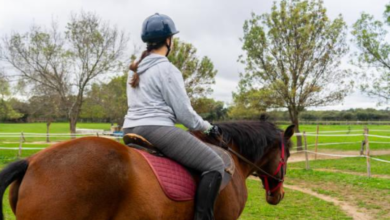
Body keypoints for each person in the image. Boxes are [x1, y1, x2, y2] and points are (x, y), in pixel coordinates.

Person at [123, 13, 224, 220]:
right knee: (215, 165)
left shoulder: (135, 69)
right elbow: (185, 115)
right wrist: (207, 128)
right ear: (168, 40)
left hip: (129, 129)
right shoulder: (166, 69)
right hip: (157, 130)